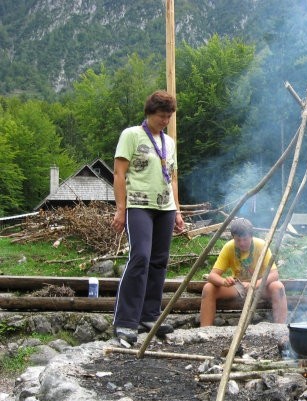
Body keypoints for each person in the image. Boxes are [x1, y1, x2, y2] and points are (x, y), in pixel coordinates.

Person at [111, 90, 185, 345]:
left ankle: (149, 315)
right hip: (138, 205)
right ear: (150, 113)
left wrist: (177, 210)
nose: (165, 120)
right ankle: (125, 321)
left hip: (165, 207)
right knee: (140, 257)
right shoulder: (131, 135)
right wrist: (120, 209)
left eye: (169, 116)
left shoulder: (170, 143)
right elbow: (119, 174)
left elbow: (173, 177)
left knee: (159, 261)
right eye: (162, 116)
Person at [200, 217, 288, 326]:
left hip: (260, 286)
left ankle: (281, 329)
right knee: (208, 288)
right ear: (233, 238)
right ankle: (204, 331)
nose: (242, 243)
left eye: (245, 239)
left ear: (251, 236)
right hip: (238, 287)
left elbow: (274, 274)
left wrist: (255, 284)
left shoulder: (261, 245)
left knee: (278, 287)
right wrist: (224, 281)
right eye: (238, 240)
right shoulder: (229, 247)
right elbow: (212, 275)